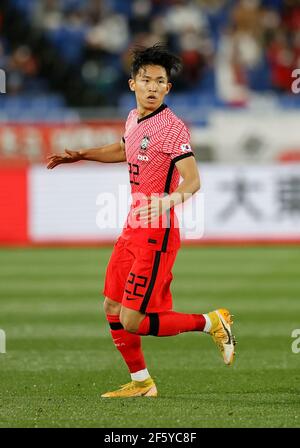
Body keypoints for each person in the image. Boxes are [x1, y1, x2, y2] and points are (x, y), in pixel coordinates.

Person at [47, 44, 236, 398]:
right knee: (112, 306)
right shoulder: (134, 118)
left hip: (157, 232)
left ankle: (212, 321)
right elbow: (123, 148)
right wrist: (82, 155)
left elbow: (193, 181)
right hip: (133, 225)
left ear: (168, 88)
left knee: (133, 319)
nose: (152, 87)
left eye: (159, 81)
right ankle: (142, 382)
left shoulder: (172, 127)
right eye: (145, 79)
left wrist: (167, 201)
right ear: (132, 83)